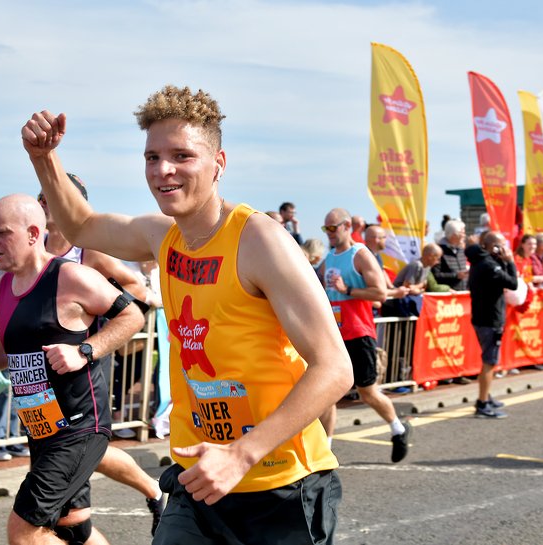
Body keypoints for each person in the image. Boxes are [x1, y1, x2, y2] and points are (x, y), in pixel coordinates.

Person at [23, 84, 353, 544]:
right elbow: (80, 225)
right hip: (197, 479)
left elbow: (335, 369)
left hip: (281, 487)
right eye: (151, 157)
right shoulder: (163, 236)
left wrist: (240, 455)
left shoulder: (259, 240)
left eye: (181, 155)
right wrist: (44, 158)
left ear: (218, 164)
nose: (163, 170)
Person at [0, 194, 144, 545]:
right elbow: (8, 348)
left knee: (23, 531)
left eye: (2, 233)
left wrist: (86, 350)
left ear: (33, 233)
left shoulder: (70, 276)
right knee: (74, 529)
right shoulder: (2, 285)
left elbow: (132, 315)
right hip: (41, 428)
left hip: (79, 427)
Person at [38, 174, 167, 536]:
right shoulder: (38, 248)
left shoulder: (89, 250)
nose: (48, 203)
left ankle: (149, 492)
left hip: (86, 356)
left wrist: (99, 320)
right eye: (44, 197)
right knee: (60, 441)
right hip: (45, 361)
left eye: (55, 197)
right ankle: (146, 494)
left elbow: (134, 287)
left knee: (78, 442)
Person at [319, 208, 412, 460]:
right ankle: (325, 451)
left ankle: (397, 428)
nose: (329, 233)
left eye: (332, 228)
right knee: (327, 393)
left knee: (367, 392)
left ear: (347, 226)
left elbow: (380, 293)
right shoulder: (328, 258)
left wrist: (347, 289)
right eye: (325, 229)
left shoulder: (359, 255)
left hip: (359, 332)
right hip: (335, 336)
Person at [464, 231, 518, 418]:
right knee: (489, 361)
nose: (505, 249)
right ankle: (482, 403)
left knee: (489, 361)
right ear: (492, 246)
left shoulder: (482, 260)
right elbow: (512, 283)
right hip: (489, 319)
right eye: (502, 245)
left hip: (482, 317)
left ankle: (486, 394)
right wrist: (510, 262)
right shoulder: (488, 265)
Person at [432, 219, 468, 291]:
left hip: (464, 295)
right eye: (462, 233)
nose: (464, 235)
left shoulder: (461, 249)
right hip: (449, 297)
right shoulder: (439, 251)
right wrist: (456, 275)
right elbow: (436, 275)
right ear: (454, 235)